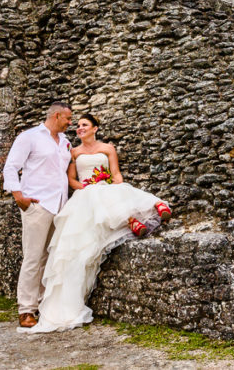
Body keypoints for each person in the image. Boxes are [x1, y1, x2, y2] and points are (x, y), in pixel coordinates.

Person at [23, 113, 171, 333]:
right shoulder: (73, 152)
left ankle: (149, 209)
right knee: (94, 197)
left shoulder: (108, 149)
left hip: (105, 187)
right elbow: (71, 180)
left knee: (113, 191)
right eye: (78, 126)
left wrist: (110, 185)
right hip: (85, 193)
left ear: (95, 128)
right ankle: (130, 219)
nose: (80, 128)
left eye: (85, 125)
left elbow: (116, 175)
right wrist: (88, 186)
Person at [2, 102, 74, 328]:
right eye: (68, 118)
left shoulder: (64, 143)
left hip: (60, 205)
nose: (70, 123)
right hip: (37, 204)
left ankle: (44, 304)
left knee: (50, 258)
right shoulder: (29, 137)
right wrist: (18, 196)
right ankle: (26, 310)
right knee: (33, 258)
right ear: (56, 115)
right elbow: (11, 166)